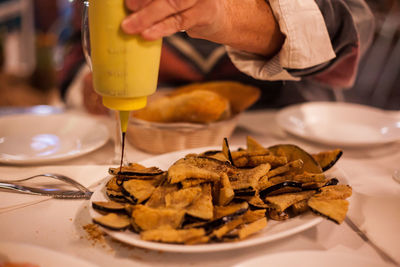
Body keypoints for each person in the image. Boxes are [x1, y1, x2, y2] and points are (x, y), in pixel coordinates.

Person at [60, 0, 375, 114]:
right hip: (144, 138)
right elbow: (79, 40)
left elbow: (353, 25)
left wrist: (234, 17)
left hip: (282, 130)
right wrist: (87, 81)